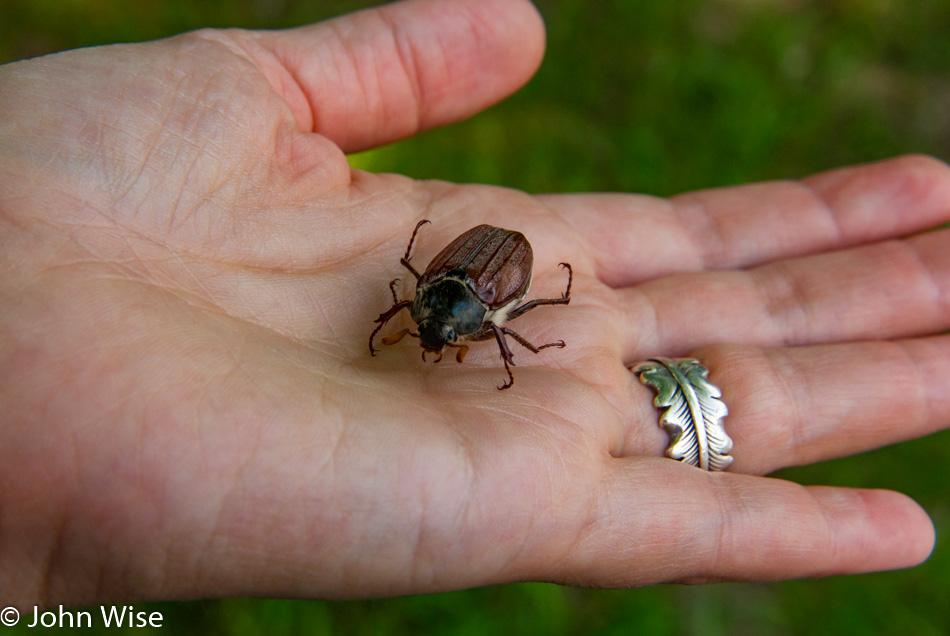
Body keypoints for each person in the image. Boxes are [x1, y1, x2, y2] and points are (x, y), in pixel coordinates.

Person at [1, 0, 947, 609]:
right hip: (470, 263)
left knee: (509, 333)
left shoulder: (485, 311)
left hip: (497, 266)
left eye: (433, 324)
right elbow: (418, 303)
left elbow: (499, 328)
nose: (430, 332)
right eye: (427, 322)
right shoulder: (424, 299)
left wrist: (492, 334)